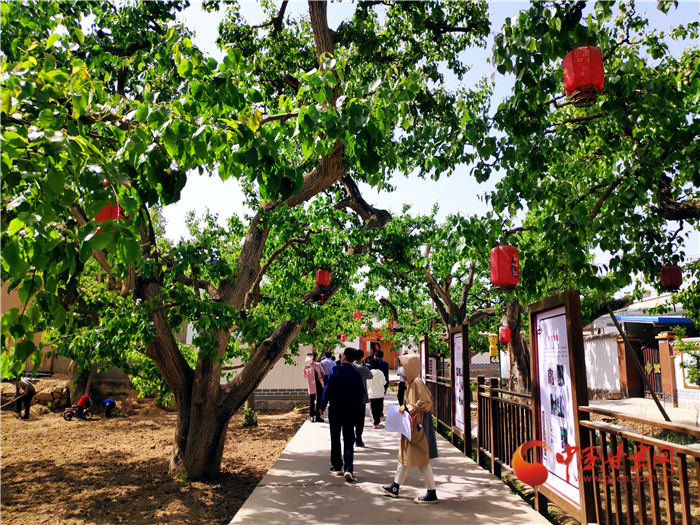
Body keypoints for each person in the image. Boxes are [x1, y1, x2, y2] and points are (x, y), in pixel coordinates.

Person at [382, 353, 439, 504]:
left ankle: (431, 492)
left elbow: (426, 402)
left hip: (417, 427)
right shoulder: (410, 382)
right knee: (404, 457)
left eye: (403, 366)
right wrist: (405, 408)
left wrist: (409, 408)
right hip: (411, 425)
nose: (401, 369)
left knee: (422, 460)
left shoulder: (417, 382)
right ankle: (395, 487)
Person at [320, 347, 364, 482]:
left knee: (335, 437)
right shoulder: (356, 374)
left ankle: (337, 466)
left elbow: (327, 389)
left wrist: (322, 406)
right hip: (350, 409)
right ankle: (349, 468)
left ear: (344, 356)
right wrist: (357, 407)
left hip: (336, 408)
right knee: (349, 439)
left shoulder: (335, 371)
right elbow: (361, 393)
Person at [352, 349, 372, 447]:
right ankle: (358, 439)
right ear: (362, 358)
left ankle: (351, 439)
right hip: (362, 398)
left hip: (351, 397)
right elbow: (370, 376)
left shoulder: (350, 367)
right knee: (360, 420)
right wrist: (364, 365)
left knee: (350, 419)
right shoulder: (364, 369)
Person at [303, 354, 325, 423]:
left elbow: (323, 373)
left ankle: (318, 416)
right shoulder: (307, 367)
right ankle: (311, 416)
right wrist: (304, 370)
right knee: (312, 401)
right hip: (312, 385)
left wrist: (321, 375)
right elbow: (305, 376)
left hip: (319, 384)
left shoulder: (318, 364)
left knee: (319, 400)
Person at [367, 359, 387, 428]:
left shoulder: (369, 373)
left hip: (372, 394)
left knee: (373, 409)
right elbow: (384, 382)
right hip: (380, 393)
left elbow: (367, 383)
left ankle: (375, 422)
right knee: (379, 408)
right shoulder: (380, 373)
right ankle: (378, 420)